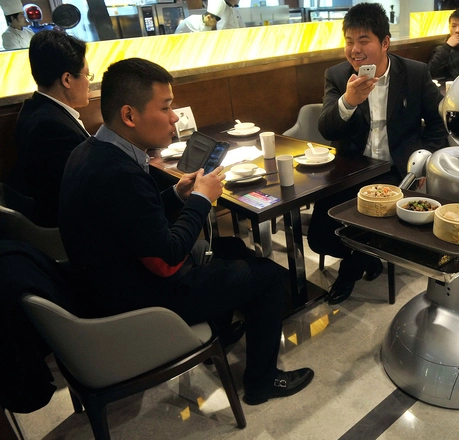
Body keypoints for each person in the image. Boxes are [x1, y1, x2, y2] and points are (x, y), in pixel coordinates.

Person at [58, 57, 313, 406]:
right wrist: (201, 201)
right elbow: (168, 256)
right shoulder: (118, 174)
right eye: (165, 108)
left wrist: (177, 195)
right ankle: (261, 383)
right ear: (129, 115)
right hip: (139, 303)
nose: (174, 118)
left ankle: (219, 335)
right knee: (268, 276)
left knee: (232, 247)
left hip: (112, 281)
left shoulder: (90, 152)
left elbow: (134, 220)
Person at [309, 3, 447, 305]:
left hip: (398, 171)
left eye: (363, 40)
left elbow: (438, 124)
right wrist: (349, 101)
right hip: (352, 169)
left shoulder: (414, 73)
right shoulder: (338, 76)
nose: (354, 50)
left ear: (385, 43)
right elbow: (327, 129)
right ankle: (367, 257)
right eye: (349, 41)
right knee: (319, 237)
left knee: (372, 219)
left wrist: (425, 163)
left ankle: (350, 270)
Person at [7, 30, 90, 227]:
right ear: (67, 79)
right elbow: (77, 195)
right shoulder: (52, 127)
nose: (89, 82)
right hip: (68, 230)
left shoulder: (34, 108)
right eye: (87, 75)